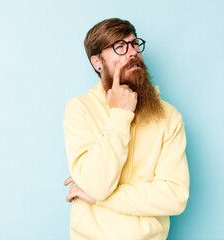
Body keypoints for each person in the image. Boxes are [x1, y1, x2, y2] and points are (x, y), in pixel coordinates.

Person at [63, 18, 190, 240]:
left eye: (134, 44)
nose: (132, 52)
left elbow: (175, 197)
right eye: (119, 47)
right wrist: (120, 115)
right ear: (97, 62)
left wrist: (102, 198)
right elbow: (97, 185)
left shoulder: (170, 116)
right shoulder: (80, 109)